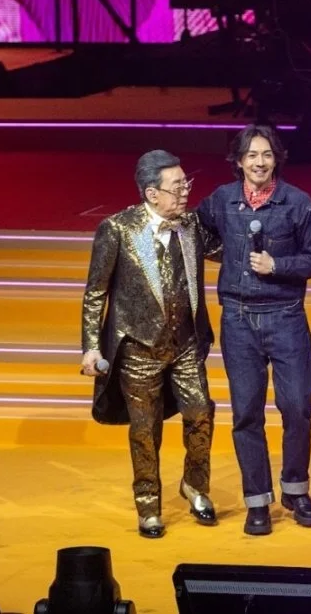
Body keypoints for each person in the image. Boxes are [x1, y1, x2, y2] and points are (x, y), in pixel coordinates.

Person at [196, 124, 311, 536]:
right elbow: (196, 231)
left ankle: (295, 489)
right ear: (239, 161)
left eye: (267, 155)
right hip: (237, 320)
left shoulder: (299, 203)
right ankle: (257, 500)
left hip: (286, 316)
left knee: (297, 406)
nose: (259, 162)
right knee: (246, 413)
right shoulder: (221, 200)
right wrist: (230, 258)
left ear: (277, 159)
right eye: (252, 155)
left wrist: (279, 266)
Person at [80, 150, 219, 539]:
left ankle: (195, 485)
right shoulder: (117, 229)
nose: (185, 191)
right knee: (145, 430)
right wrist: (91, 346)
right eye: (177, 186)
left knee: (201, 413)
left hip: (186, 343)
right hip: (139, 348)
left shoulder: (191, 224)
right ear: (152, 193)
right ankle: (148, 505)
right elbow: (96, 292)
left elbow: (227, 251)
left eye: (186, 183)